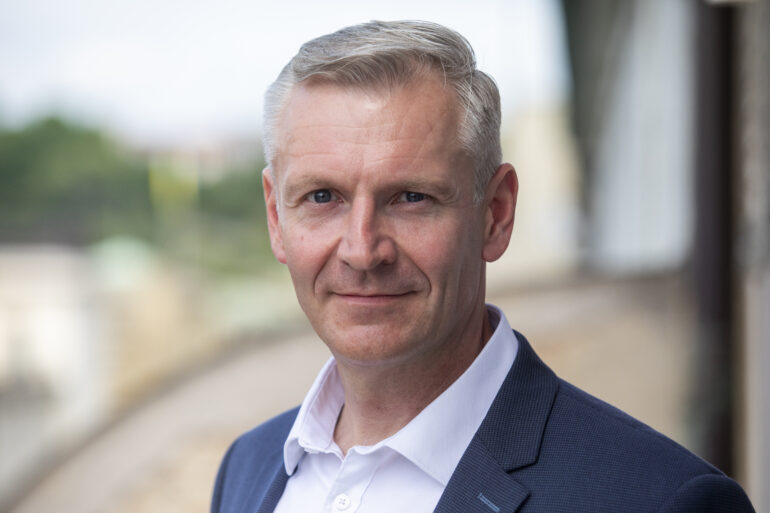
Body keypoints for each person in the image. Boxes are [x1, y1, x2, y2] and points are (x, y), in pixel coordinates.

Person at [211, 20, 754, 513]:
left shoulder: (660, 500)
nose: (362, 250)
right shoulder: (247, 468)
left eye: (411, 197)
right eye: (322, 196)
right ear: (276, 218)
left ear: (496, 213)